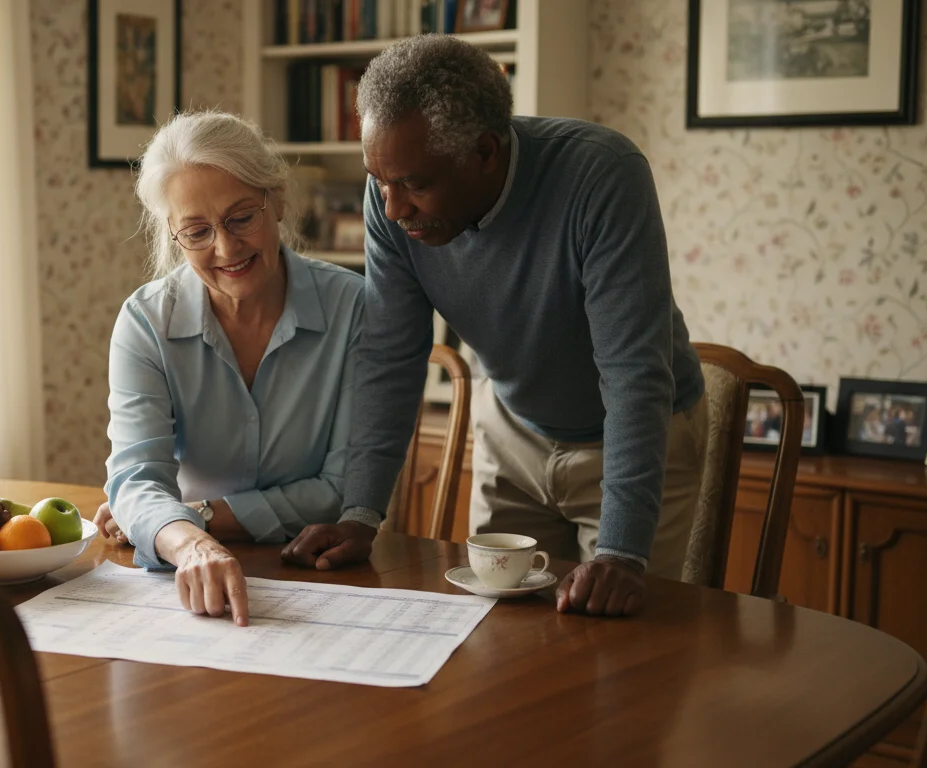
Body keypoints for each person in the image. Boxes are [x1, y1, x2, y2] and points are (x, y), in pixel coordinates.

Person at [281, 36, 708, 618]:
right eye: (379, 180)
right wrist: (361, 515)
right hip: (512, 429)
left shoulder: (602, 175)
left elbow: (633, 374)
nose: (393, 206)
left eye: (414, 184)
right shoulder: (391, 194)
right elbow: (390, 357)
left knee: (619, 646)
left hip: (629, 437)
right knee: (496, 631)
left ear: (485, 151)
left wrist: (623, 551)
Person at [99, 110, 365, 627]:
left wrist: (189, 520)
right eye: (197, 231)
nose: (225, 248)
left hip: (327, 578)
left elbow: (342, 490)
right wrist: (191, 543)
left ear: (278, 201)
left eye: (242, 217)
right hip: (191, 578)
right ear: (172, 236)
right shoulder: (144, 321)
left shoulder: (353, 307)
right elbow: (135, 482)